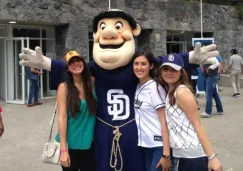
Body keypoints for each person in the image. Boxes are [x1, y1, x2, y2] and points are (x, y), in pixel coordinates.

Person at [19, 9, 219, 171]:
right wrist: (46, 63)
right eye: (102, 27)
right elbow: (74, 68)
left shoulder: (137, 66)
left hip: (134, 132)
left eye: (117, 26)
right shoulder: (95, 69)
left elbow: (161, 63)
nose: (108, 32)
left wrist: (190, 57)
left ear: (134, 31)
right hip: (103, 130)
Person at [158, 54, 223, 171]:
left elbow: (198, 125)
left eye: (174, 69)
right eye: (166, 69)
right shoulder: (171, 91)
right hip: (181, 156)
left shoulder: (182, 92)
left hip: (193, 157)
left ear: (181, 72)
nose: (169, 72)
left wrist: (212, 157)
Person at [55, 51, 97, 171]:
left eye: (78, 60)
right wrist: (63, 150)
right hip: (71, 145)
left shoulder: (92, 83)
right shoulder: (64, 87)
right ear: (68, 68)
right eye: (71, 62)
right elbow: (62, 117)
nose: (76, 64)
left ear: (83, 63)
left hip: (90, 144)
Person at [132, 49, 172, 171]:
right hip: (144, 145)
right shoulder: (138, 86)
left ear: (151, 66)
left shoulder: (155, 88)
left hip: (158, 147)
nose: (139, 67)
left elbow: (164, 121)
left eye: (143, 64)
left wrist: (166, 154)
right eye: (136, 63)